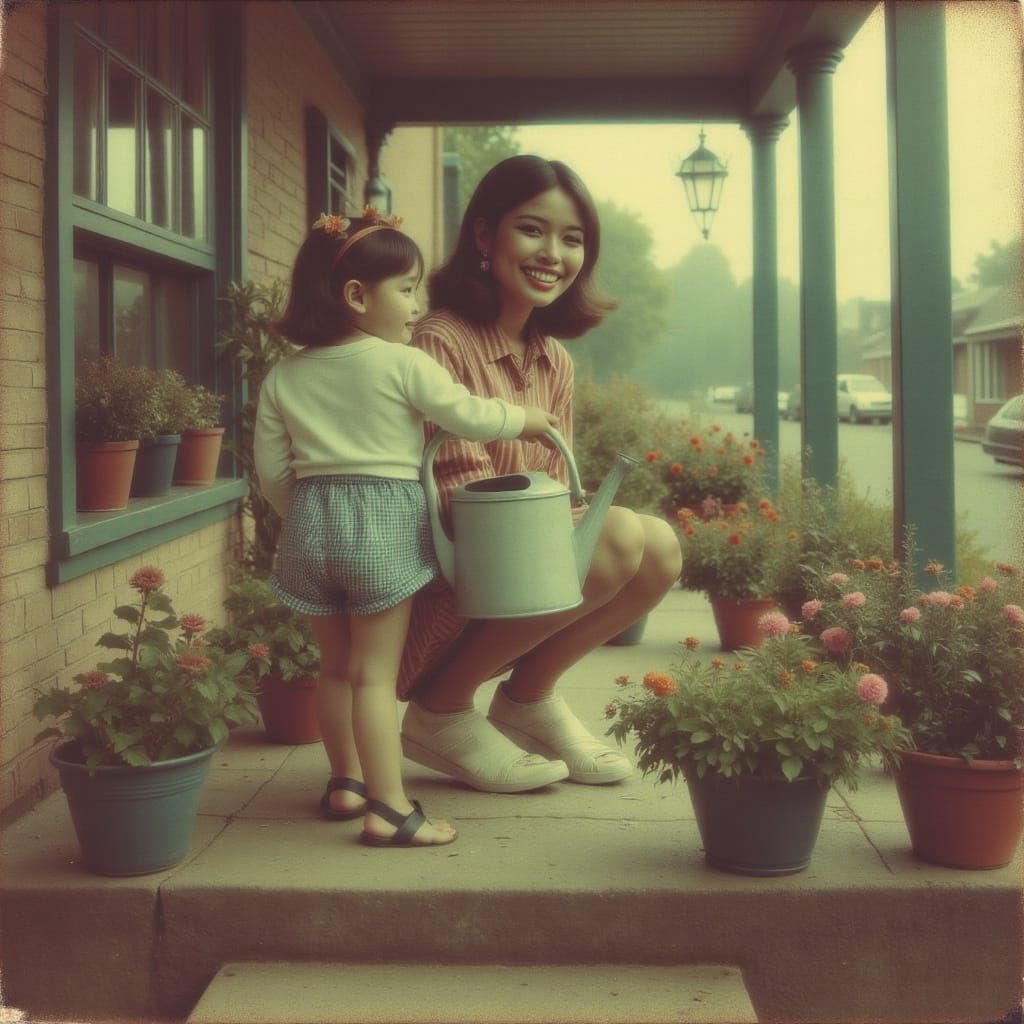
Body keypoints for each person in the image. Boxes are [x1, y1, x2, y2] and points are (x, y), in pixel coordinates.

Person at [254, 209, 558, 847]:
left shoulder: (284, 375)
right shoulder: (401, 363)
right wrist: (524, 418)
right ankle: (390, 808)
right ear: (357, 296)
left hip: (310, 522)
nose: (418, 304)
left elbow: (273, 473)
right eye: (407, 288)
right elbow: (466, 414)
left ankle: (345, 781)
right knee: (373, 674)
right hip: (383, 525)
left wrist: (306, 522)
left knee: (334, 668)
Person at [399, 156, 683, 793]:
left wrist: (571, 525)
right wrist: (573, 531)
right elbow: (456, 508)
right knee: (617, 539)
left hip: (518, 574)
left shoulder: (551, 358)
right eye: (532, 230)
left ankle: (527, 700)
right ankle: (440, 709)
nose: (553, 253)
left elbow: (560, 485)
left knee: (657, 546)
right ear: (483, 236)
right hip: (446, 580)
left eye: (572, 238)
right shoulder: (438, 343)